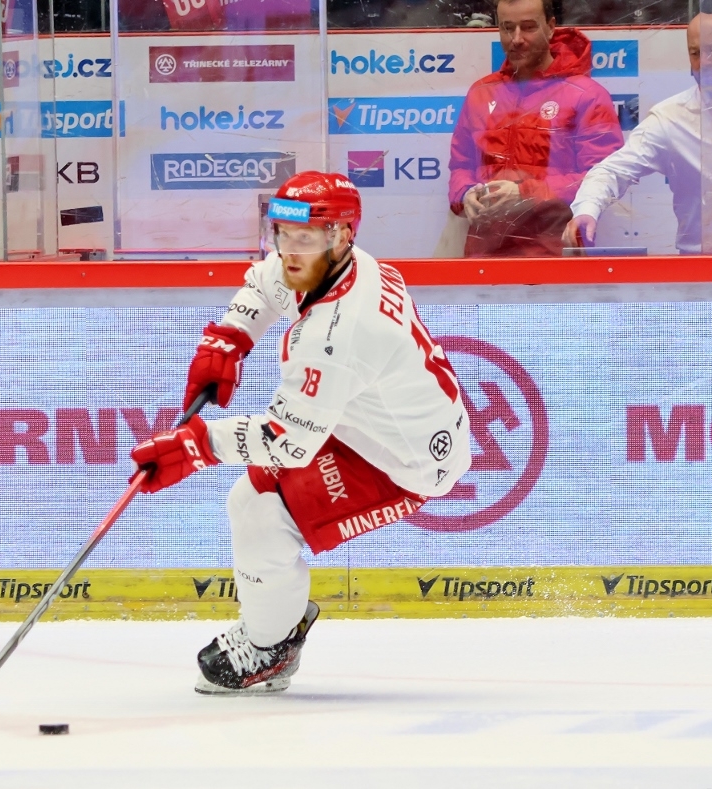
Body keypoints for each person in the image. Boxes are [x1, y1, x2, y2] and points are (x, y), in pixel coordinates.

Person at [129, 172, 472, 694]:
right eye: (281, 233)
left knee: (261, 513)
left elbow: (288, 440)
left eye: (304, 238)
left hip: (402, 462)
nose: (288, 250)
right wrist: (228, 338)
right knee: (251, 501)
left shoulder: (339, 334)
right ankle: (274, 625)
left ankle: (270, 646)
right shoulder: (337, 265)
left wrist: (196, 446)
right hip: (366, 421)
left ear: (343, 235)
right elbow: (264, 282)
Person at [565, 6, 712, 254]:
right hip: (701, 264)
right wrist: (587, 210)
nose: (704, 62)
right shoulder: (670, 118)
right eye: (696, 53)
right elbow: (612, 170)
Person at [447, 0, 624, 257]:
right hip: (484, 256)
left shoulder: (586, 95)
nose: (516, 39)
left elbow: (602, 178)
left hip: (553, 256)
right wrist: (465, 194)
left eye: (528, 27)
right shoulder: (481, 93)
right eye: (507, 28)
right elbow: (461, 166)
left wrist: (524, 193)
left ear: (550, 27)